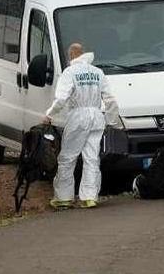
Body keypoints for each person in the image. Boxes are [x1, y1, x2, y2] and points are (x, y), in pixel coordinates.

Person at [45, 43, 120, 210]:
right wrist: (112, 120)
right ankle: (89, 197)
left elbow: (61, 98)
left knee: (68, 157)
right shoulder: (97, 72)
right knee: (92, 157)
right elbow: (110, 100)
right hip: (96, 116)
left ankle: (64, 197)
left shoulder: (70, 72)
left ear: (71, 55)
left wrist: (50, 114)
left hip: (78, 116)